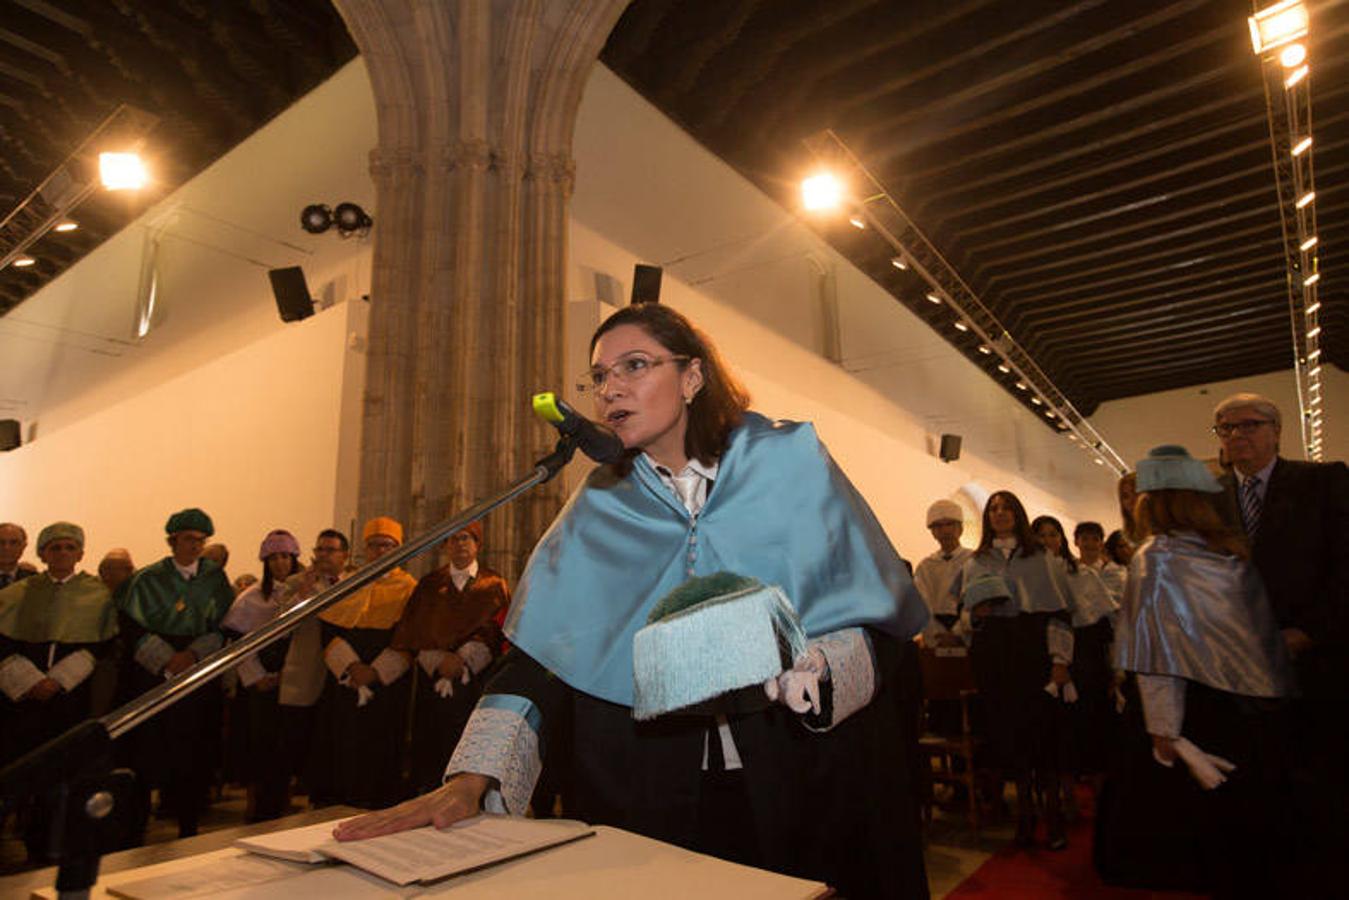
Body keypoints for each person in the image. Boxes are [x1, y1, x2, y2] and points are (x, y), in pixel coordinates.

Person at [335, 304, 931, 899]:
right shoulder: (601, 505)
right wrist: (472, 776)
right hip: (653, 786)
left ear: (692, 377)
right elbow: (544, 661)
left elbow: (876, 617)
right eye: (599, 376)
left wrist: (822, 666)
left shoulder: (791, 461)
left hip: (804, 774)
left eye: (634, 366)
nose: (610, 389)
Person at [1104, 445, 1292, 897]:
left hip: (1184, 711)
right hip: (1235, 707)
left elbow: (1157, 656)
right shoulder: (1225, 553)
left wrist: (1164, 732)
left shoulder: (1155, 558)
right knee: (1236, 832)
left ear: (1154, 500)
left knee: (1184, 842)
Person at [1209, 392, 1348, 892]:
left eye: (1248, 425)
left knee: (1318, 782)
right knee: (1254, 785)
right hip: (1238, 671)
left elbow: (1344, 569)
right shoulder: (1210, 497)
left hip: (1315, 662)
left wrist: (1308, 632)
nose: (1236, 436)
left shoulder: (1322, 481)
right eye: (1225, 429)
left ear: (1277, 430)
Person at [958, 494, 1073, 851]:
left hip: (1032, 648)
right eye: (993, 509)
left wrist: (1060, 661)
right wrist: (975, 617)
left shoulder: (1041, 557)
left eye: (1006, 508)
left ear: (1018, 514)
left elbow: (1058, 614)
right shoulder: (976, 561)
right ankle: (1024, 816)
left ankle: (1052, 815)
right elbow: (962, 615)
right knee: (1011, 737)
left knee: (1044, 736)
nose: (1000, 514)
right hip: (995, 653)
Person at [0, 522, 117, 862]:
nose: (62, 554)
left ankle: (53, 845)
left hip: (69, 699)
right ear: (41, 553)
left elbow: (104, 646)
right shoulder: (19, 592)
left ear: (80, 553)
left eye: (69, 548)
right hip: (22, 700)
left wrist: (59, 680)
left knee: (61, 775)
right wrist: (29, 681)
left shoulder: (97, 594)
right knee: (21, 769)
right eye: (55, 548)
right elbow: (4, 642)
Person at [114, 507, 234, 839]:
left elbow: (223, 624)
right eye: (188, 539)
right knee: (146, 749)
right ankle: (135, 826)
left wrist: (193, 655)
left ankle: (188, 822)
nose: (194, 546)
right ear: (173, 541)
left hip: (196, 674)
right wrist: (167, 659)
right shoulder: (147, 578)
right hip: (153, 674)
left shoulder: (215, 578)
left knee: (193, 750)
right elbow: (131, 625)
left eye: (200, 540)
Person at [390, 521, 511, 795]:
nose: (460, 544)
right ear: (445, 545)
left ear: (478, 544)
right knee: (431, 746)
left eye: (466, 538)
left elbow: (498, 629)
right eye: (453, 539)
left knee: (469, 745)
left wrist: (465, 659)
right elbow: (414, 629)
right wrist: (438, 661)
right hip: (431, 680)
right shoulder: (429, 584)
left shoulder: (494, 584)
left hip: (475, 682)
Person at [310, 517, 417, 808]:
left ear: (399, 548)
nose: (381, 551)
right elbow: (330, 630)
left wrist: (376, 672)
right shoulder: (348, 583)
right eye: (374, 545)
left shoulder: (410, 588)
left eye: (387, 545)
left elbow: (410, 636)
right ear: (365, 550)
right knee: (343, 746)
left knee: (381, 748)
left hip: (387, 685)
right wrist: (352, 668)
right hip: (347, 681)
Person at [220, 530, 303, 821]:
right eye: (274, 558)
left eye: (285, 557)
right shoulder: (250, 598)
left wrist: (288, 674)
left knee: (288, 747)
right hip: (260, 685)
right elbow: (238, 644)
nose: (280, 563)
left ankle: (285, 807)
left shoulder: (305, 592)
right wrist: (256, 676)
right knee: (261, 749)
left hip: (293, 681)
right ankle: (258, 809)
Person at [1033, 515, 1118, 798]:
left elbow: (1103, 618)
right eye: (1041, 535)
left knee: (1088, 723)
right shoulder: (1029, 573)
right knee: (1057, 731)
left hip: (1084, 656)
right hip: (1042, 656)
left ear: (1063, 539)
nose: (1047, 541)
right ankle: (1064, 795)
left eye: (1052, 534)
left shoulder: (1080, 573)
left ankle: (1097, 792)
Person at [912, 499, 972, 647]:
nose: (945, 530)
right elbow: (922, 604)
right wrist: (936, 633)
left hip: (968, 637)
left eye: (950, 524)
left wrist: (958, 633)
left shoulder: (974, 561)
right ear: (932, 532)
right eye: (938, 526)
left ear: (961, 528)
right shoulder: (925, 567)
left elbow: (975, 601)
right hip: (936, 640)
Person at [1073, 521, 1124, 601]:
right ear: (1076, 542)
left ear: (1101, 543)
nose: (1090, 543)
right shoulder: (1069, 569)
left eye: (1095, 539)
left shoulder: (1114, 571)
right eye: (1085, 539)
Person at [0, 523, 37, 589]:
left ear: (23, 546)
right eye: (1, 542)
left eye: (14, 542)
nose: (7, 548)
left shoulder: (33, 579)